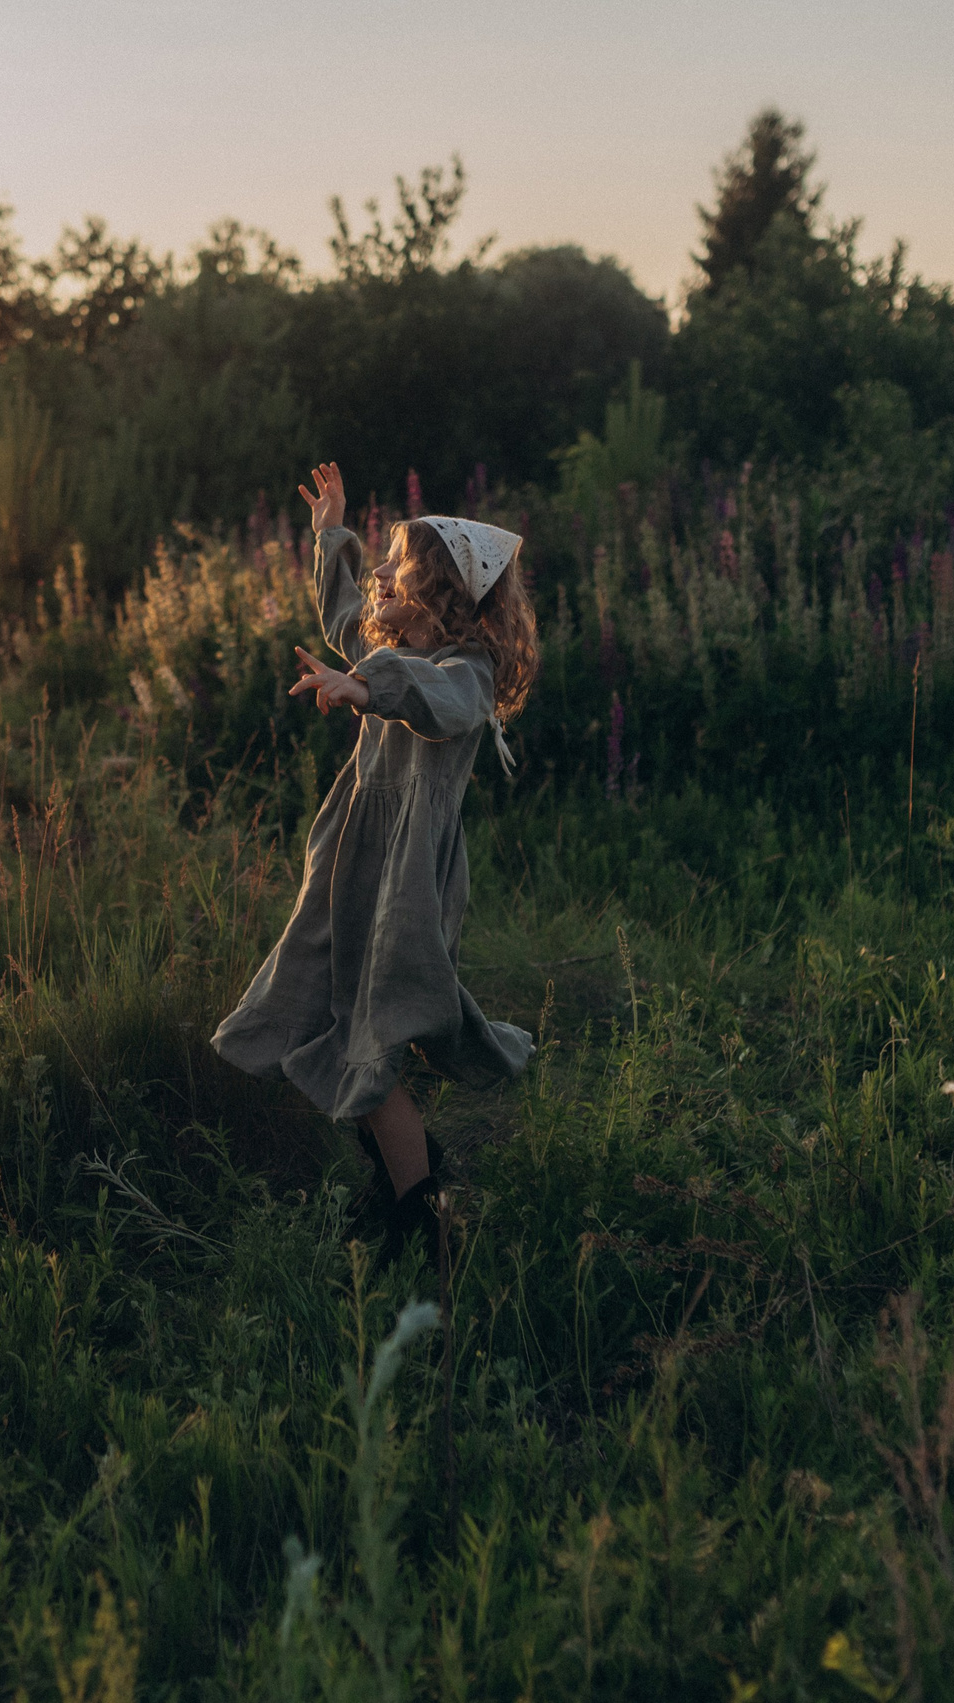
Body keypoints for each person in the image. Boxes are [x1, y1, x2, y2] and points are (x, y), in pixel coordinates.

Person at [212, 462, 537, 1260]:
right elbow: (349, 616)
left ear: (444, 597)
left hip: (403, 891)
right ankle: (414, 1185)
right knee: (331, 1015)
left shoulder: (466, 673)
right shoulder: (393, 646)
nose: (382, 577)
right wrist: (331, 533)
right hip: (350, 873)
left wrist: (367, 687)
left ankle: (423, 1222)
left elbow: (436, 701)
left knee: (369, 1041)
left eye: (399, 568)